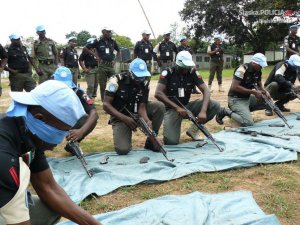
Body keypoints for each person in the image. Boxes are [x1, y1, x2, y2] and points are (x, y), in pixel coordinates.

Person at [0, 80, 102, 225]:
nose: (61, 140)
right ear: (39, 118)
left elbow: (48, 187)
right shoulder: (5, 158)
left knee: (49, 210)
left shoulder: (27, 132)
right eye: (61, 131)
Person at [155, 51, 220, 145]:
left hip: (186, 106)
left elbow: (206, 91)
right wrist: (177, 108)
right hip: (171, 109)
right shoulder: (168, 72)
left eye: (188, 66)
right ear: (178, 64)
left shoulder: (192, 72)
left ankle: (193, 130)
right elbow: (158, 93)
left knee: (214, 104)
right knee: (171, 141)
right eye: (184, 67)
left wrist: (203, 111)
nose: (186, 69)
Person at [103, 58, 165, 155]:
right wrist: (125, 118)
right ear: (130, 72)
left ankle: (151, 140)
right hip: (120, 116)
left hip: (137, 112)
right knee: (122, 150)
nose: (140, 79)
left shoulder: (144, 83)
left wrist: (147, 121)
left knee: (159, 106)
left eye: (142, 76)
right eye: (137, 76)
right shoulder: (115, 81)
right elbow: (106, 105)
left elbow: (142, 107)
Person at [52, 66, 99, 153]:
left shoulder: (78, 92)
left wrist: (81, 131)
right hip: (49, 123)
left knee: (89, 119)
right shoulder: (46, 92)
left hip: (69, 124)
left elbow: (94, 113)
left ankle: (73, 143)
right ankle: (38, 149)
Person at [216, 53, 269, 126]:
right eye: (260, 65)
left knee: (268, 102)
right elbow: (234, 87)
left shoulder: (258, 71)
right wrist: (254, 92)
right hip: (236, 99)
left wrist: (265, 92)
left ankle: (242, 112)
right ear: (254, 63)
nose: (261, 67)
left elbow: (260, 86)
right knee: (248, 123)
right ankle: (225, 111)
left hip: (247, 98)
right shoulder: (242, 69)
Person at [83, 27, 120, 102]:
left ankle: (114, 100)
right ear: (103, 32)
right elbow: (85, 48)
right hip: (102, 65)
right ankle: (105, 102)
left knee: (114, 82)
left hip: (111, 66)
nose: (109, 33)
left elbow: (119, 51)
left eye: (110, 31)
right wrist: (96, 56)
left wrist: (115, 61)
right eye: (107, 31)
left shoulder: (113, 41)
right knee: (103, 85)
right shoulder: (98, 41)